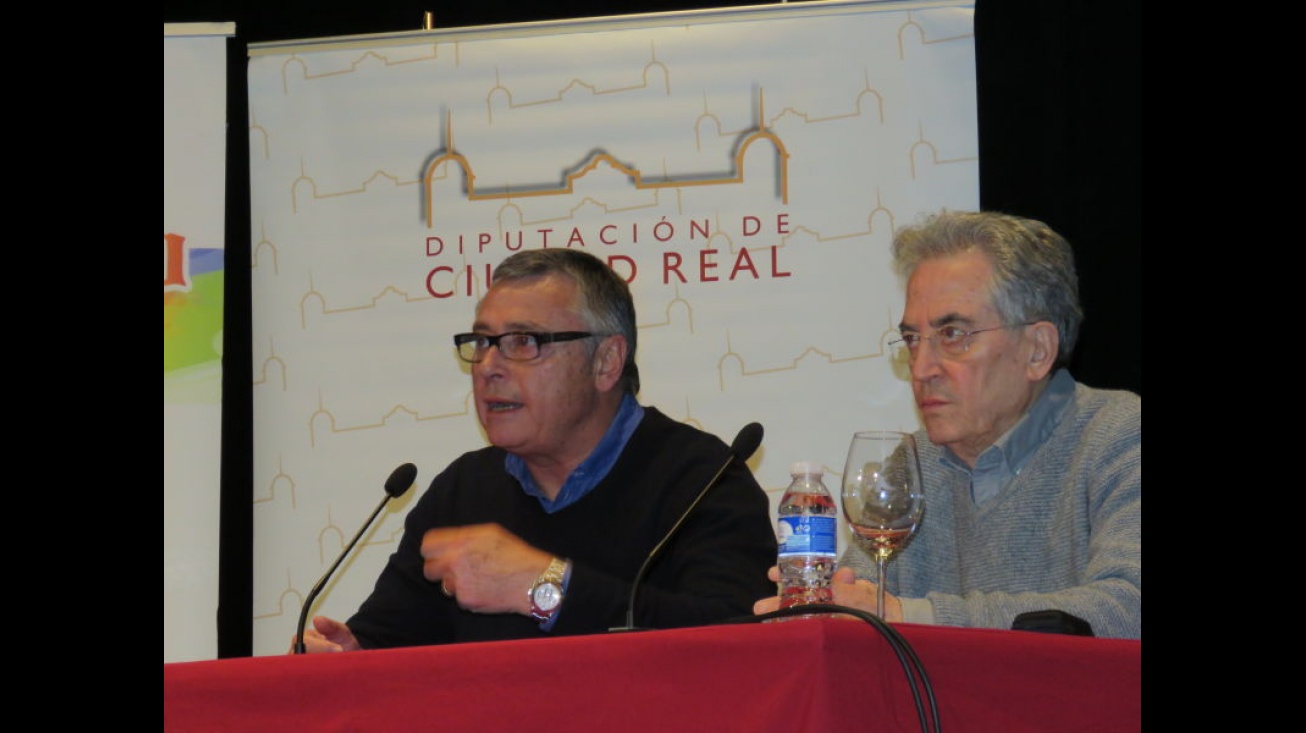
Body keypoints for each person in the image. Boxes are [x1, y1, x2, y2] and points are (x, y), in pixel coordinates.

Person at [295, 248, 777, 651]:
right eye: (482, 342)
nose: (487, 366)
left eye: (523, 341)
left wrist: (544, 587)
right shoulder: (464, 491)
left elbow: (737, 644)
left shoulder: (703, 480)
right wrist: (347, 655)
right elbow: (392, 642)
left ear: (607, 361)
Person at [755, 209, 1141, 639]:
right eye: (911, 340)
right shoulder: (912, 463)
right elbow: (862, 603)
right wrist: (825, 609)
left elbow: (1129, 605)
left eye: (953, 334)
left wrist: (911, 617)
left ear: (1037, 350)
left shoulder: (1121, 434)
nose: (921, 368)